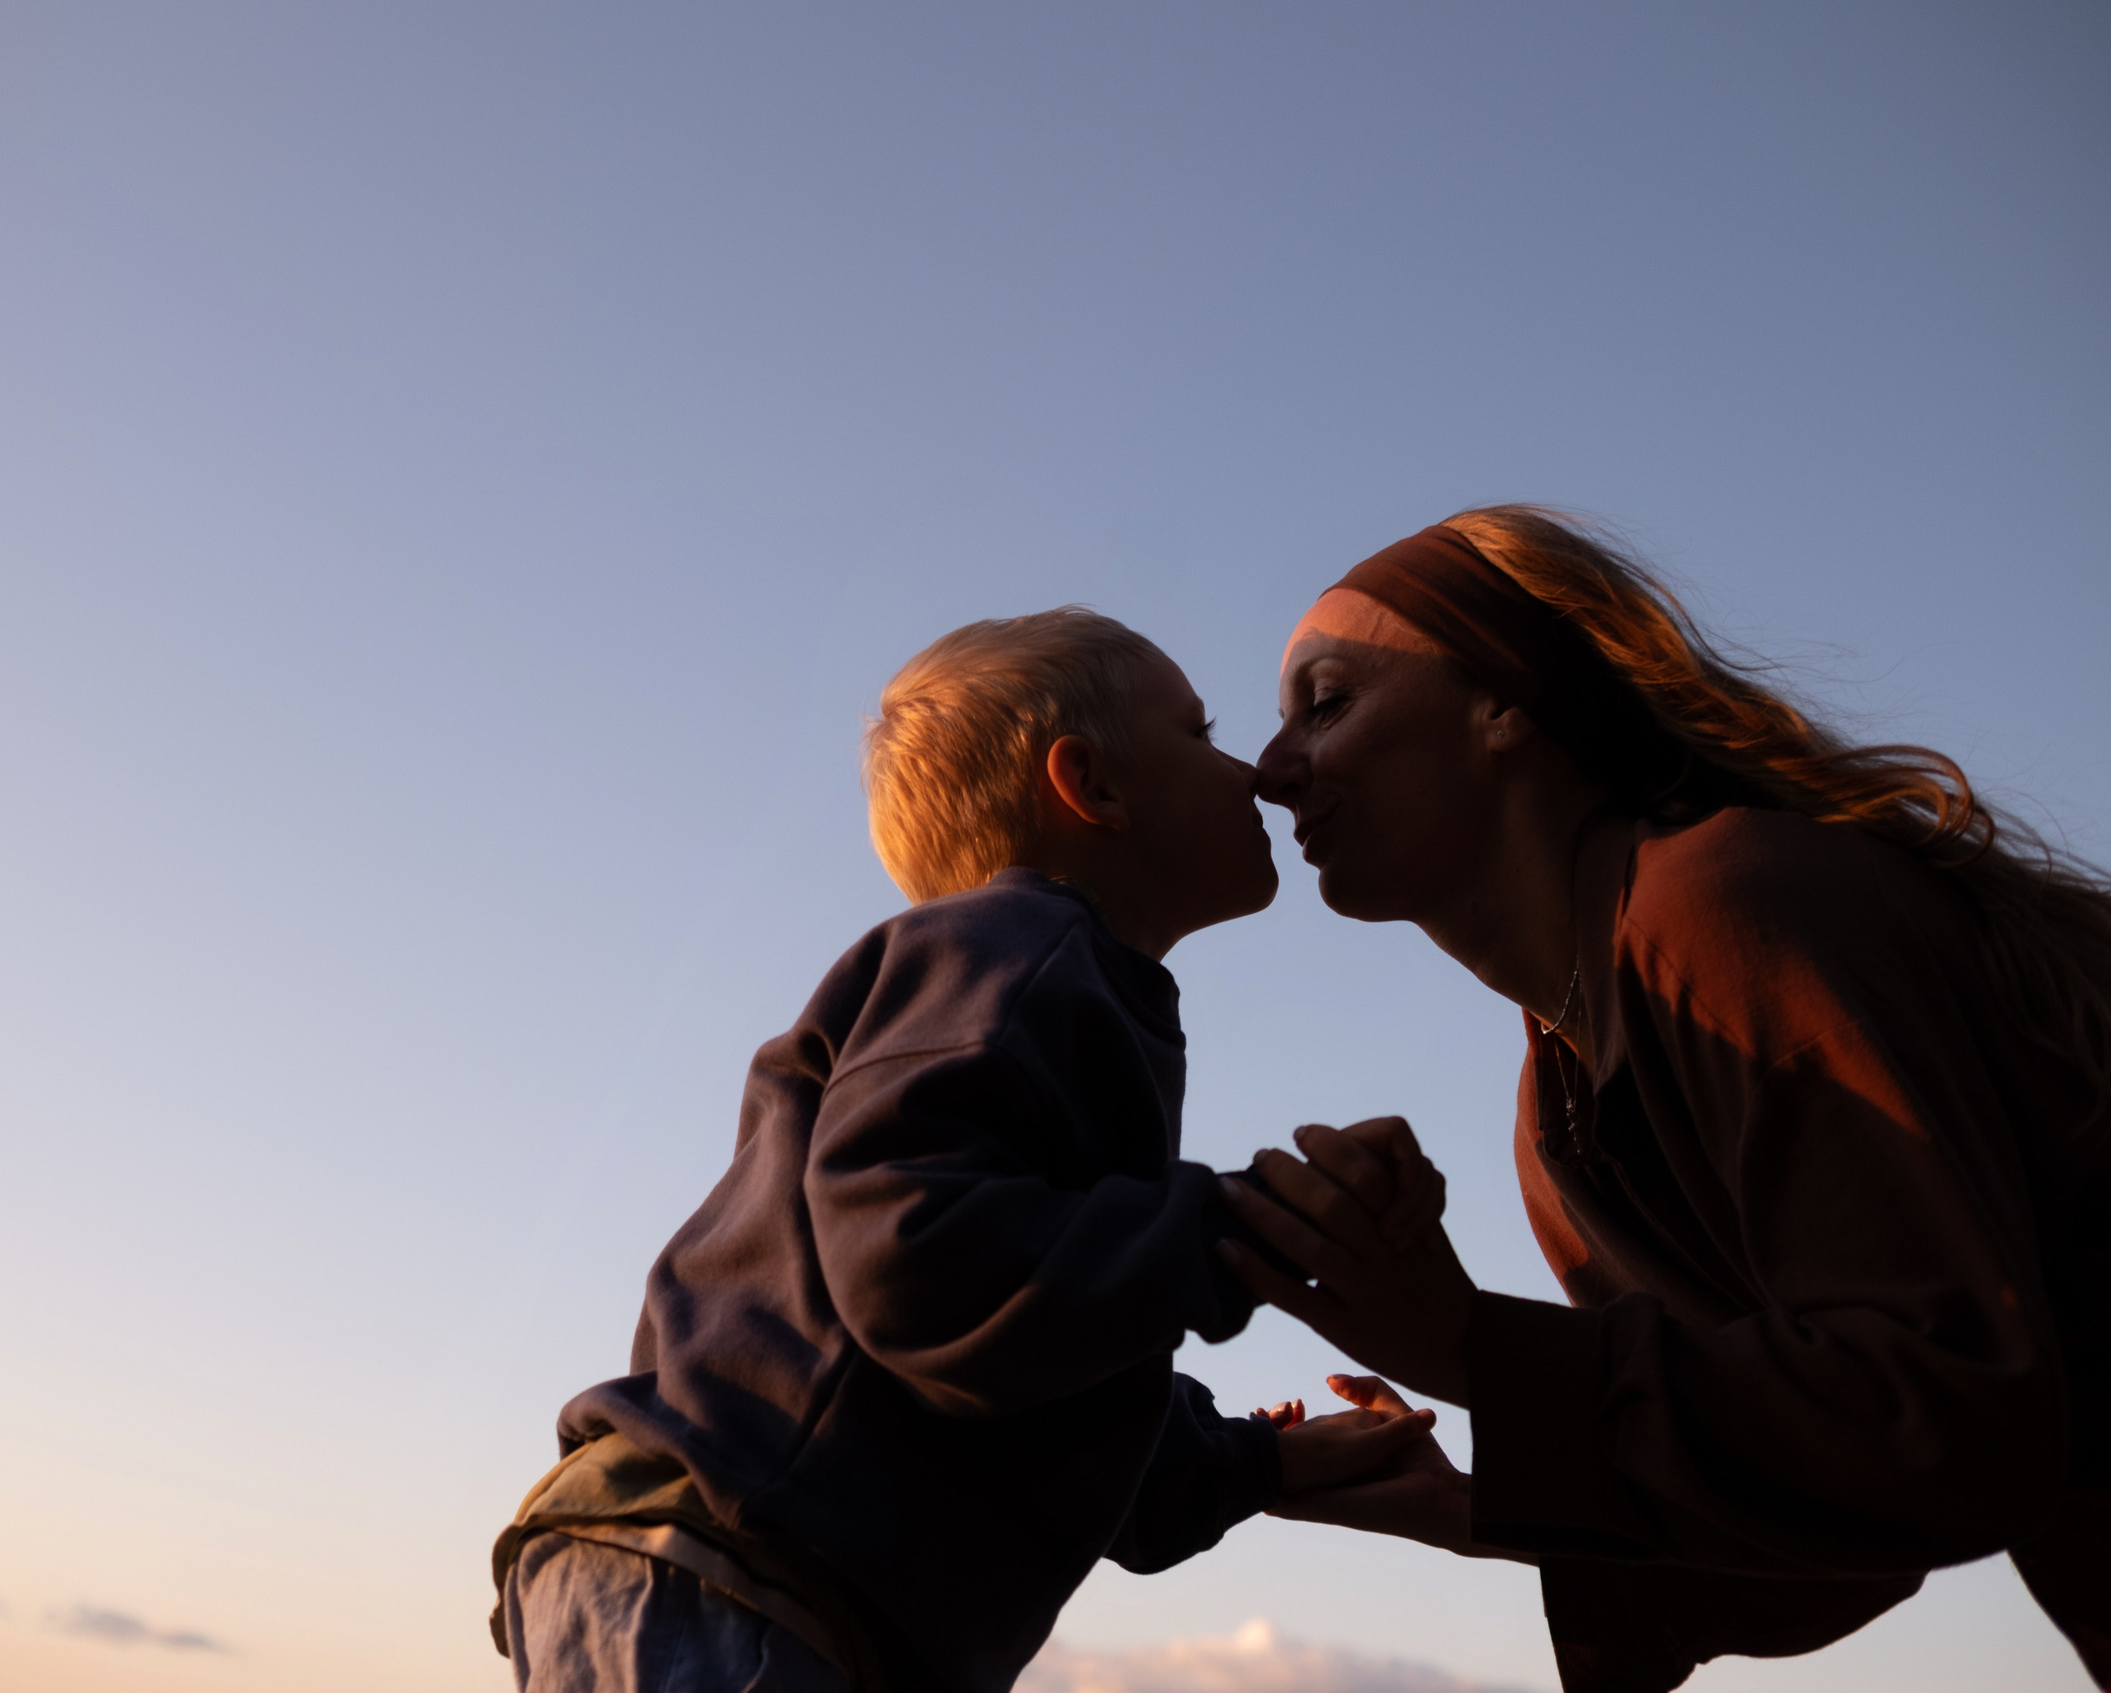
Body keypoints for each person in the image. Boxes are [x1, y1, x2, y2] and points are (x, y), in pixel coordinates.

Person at [1211, 507, 2111, 1693]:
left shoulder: (1726, 906)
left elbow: (1953, 1413)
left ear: (1502, 703)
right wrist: (1484, 1509)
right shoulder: (1553, 1111)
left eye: (1326, 703)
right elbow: (1851, 1528)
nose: (1271, 773)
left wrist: (1472, 1346)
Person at [491, 607, 1439, 1693]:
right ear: (1093, 786)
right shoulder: (1016, 952)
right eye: (1202, 732)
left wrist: (1260, 1460)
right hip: (732, 1564)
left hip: (753, 1582)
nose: (1258, 775)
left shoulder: (1055, 991)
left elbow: (1024, 1380)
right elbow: (924, 1265)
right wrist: (1245, 1225)